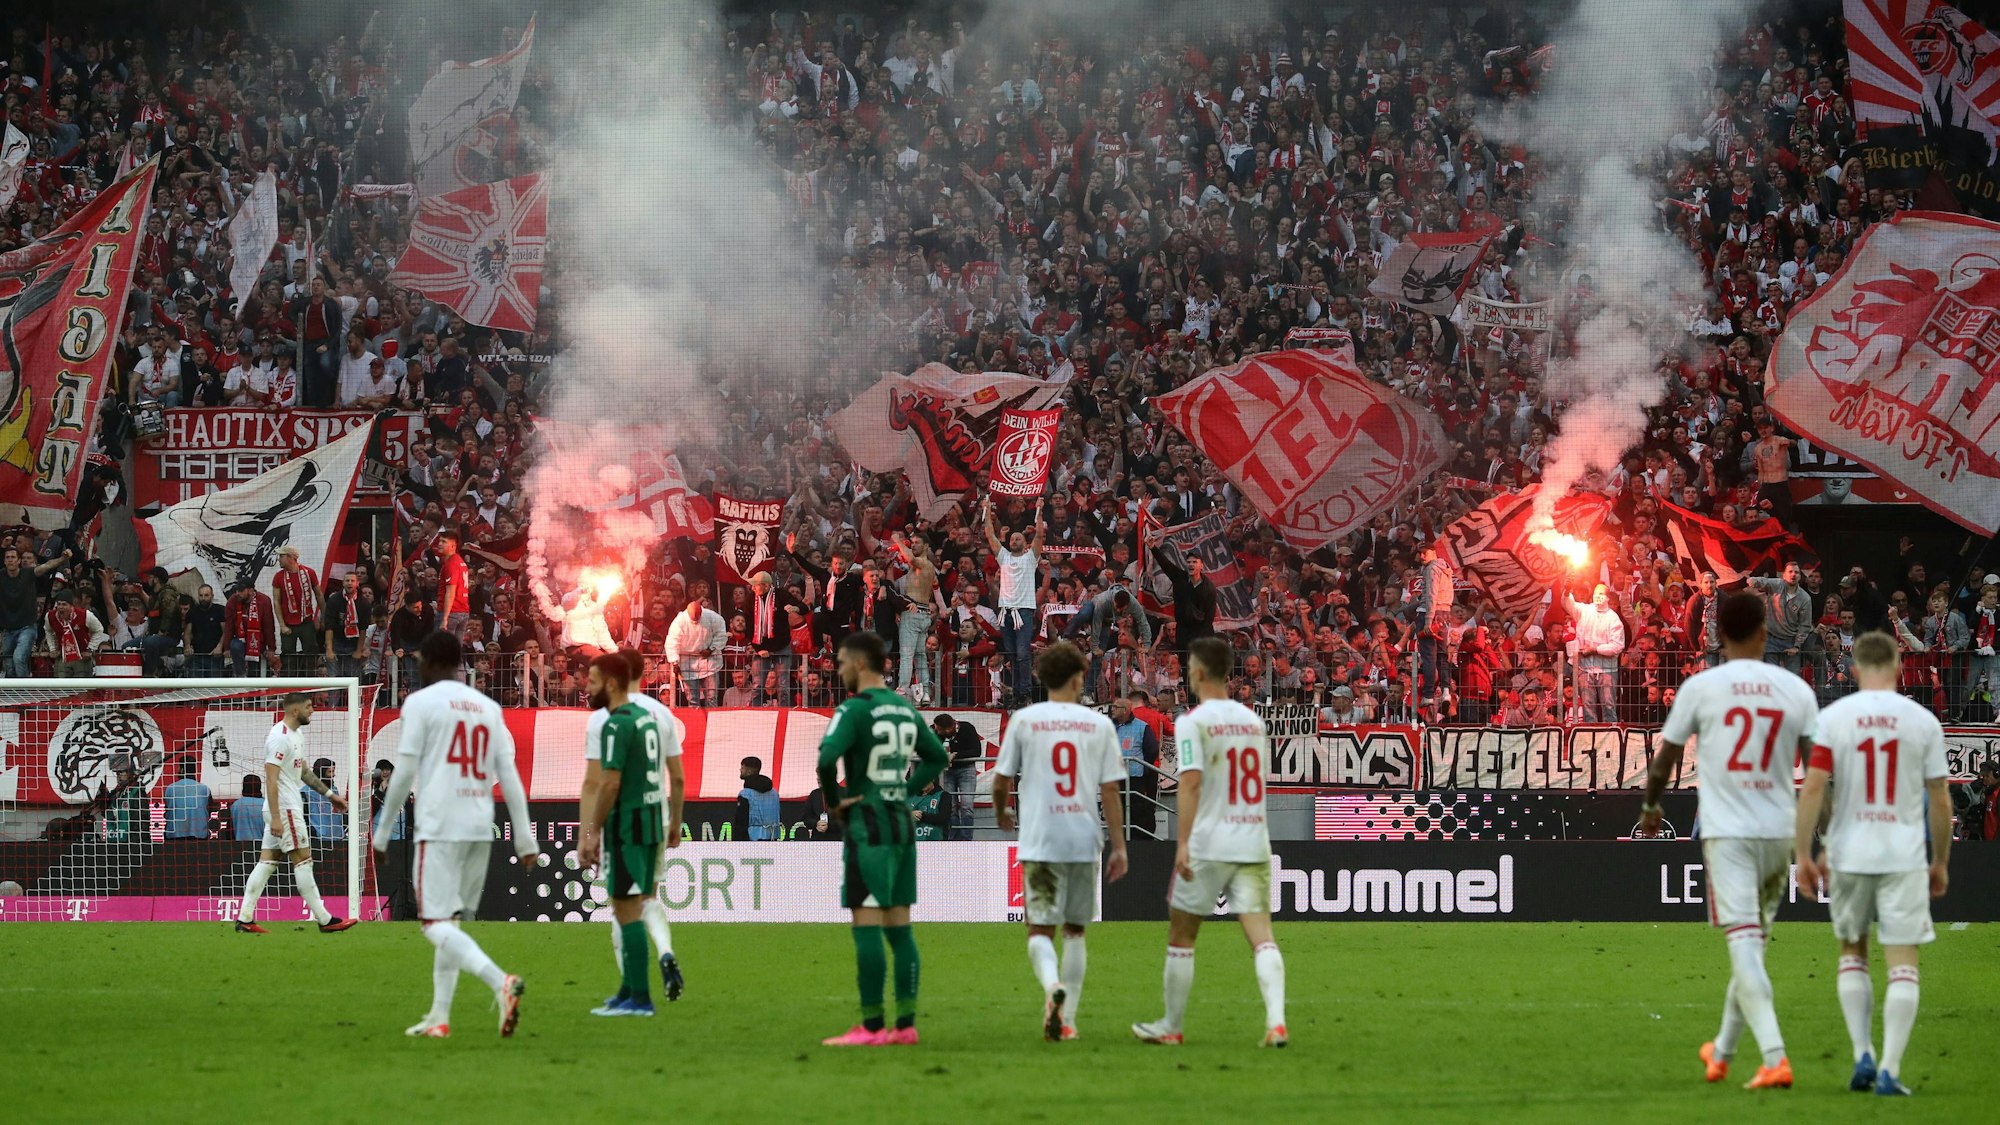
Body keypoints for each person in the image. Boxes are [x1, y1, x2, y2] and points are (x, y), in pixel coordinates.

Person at [1639, 592, 1819, 1090]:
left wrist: (1652, 807)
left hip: (1728, 832)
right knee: (1751, 948)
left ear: (1718, 637)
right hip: (1778, 831)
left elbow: (1665, 757)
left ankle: (1775, 1057)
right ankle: (1720, 1052)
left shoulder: (1703, 687)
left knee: (1742, 946)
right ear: (1766, 632)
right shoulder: (1795, 689)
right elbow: (1820, 769)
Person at [1793, 630, 1951, 1097]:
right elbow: (1940, 800)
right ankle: (1890, 1068)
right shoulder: (1922, 722)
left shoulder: (1834, 718)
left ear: (1856, 670)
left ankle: (1862, 1053)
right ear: (1900, 667)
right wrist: (1939, 860)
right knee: (1903, 961)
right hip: (1902, 853)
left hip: (1848, 852)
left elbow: (1815, 787)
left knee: (1852, 951)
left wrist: (1805, 852)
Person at [370, 632, 537, 1038]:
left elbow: (405, 770)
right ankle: (439, 1017)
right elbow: (509, 774)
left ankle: (501, 982)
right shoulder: (486, 706)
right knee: (452, 923)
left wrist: (383, 830)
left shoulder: (421, 703)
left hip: (440, 823)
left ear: (428, 662)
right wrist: (525, 837)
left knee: (433, 924)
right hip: (480, 823)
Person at [1132, 635, 1288, 1048]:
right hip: (1253, 839)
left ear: (1198, 671)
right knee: (1262, 936)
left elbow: (1191, 782)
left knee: (1182, 936)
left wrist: (1182, 844)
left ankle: (1172, 1026)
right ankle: (1276, 1022)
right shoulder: (1253, 722)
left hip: (1209, 842)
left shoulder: (1192, 722)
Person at [992, 640, 1129, 1041]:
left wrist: (1002, 812)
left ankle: (1052, 986)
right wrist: (1118, 843)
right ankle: (1067, 1019)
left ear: (1040, 678)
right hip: (1083, 839)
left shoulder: (1025, 721)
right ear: (1077, 677)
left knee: (1039, 931)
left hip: (1040, 839)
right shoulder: (1100, 724)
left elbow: (1001, 780)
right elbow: (1110, 791)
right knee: (1075, 931)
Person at [816, 631, 948, 1046]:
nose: (838, 670)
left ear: (858, 664)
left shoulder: (855, 708)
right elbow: (937, 758)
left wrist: (835, 803)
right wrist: (906, 792)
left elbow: (825, 758)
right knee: (900, 928)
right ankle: (905, 1024)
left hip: (868, 823)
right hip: (900, 824)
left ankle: (871, 1025)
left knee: (867, 925)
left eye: (840, 662)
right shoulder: (904, 708)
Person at [579, 652, 683, 1017]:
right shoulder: (650, 717)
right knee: (637, 903)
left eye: (591, 681)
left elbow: (606, 783)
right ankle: (627, 991)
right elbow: (677, 775)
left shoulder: (613, 723)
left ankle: (639, 998)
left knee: (625, 908)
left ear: (610, 683)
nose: (587, 687)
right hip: (653, 819)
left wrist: (591, 833)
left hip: (626, 822)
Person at [233, 692, 359, 934]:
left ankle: (245, 918)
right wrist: (278, 817)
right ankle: (325, 920)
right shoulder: (279, 738)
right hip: (285, 809)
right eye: (309, 707)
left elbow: (305, 773)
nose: (313, 710)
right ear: (294, 711)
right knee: (303, 861)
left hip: (284, 808)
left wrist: (331, 796)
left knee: (267, 862)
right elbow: (270, 778)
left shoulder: (296, 735)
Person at [984, 497, 1046, 704]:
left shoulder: (1030, 558)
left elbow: (1039, 535)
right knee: (1011, 654)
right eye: (1011, 538)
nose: (1013, 540)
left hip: (1024, 612)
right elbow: (990, 535)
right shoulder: (1004, 557)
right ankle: (1016, 693)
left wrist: (1039, 511)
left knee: (1022, 653)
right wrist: (986, 512)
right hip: (1006, 612)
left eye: (1018, 538)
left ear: (1025, 543)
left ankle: (1025, 693)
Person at [0, 546, 68, 677]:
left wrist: (63, 558)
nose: (10, 560)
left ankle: (24, 692)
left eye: (13, 557)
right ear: (4, 561)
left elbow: (47, 565)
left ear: (19, 561)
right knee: (8, 664)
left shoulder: (28, 573)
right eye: (7, 557)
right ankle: (14, 692)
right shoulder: (1, 576)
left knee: (19, 658)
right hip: (8, 630)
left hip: (27, 628)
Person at [1566, 583, 1627, 723]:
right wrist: (1566, 591)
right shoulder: (1585, 610)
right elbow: (1569, 604)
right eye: (1595, 593)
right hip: (1585, 669)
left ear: (1607, 598)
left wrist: (1595, 648)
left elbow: (1617, 646)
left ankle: (1611, 738)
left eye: (1601, 594)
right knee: (1588, 708)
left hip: (1607, 670)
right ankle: (1590, 738)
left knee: (1609, 707)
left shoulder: (1613, 618)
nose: (1597, 597)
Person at [889, 531, 938, 702]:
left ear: (926, 546)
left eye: (917, 542)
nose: (914, 545)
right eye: (913, 542)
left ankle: (902, 689)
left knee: (907, 654)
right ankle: (924, 693)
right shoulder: (923, 566)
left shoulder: (924, 564)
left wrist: (898, 541)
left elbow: (911, 559)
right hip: (923, 613)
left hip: (913, 613)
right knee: (920, 655)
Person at [1109, 695, 1161, 835]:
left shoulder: (1141, 727)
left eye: (1116, 707)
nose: (1112, 709)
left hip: (1135, 778)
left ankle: (1140, 841)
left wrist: (1142, 767)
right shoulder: (1110, 726)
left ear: (1125, 710)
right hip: (1115, 778)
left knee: (1138, 811)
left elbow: (1152, 749)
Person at [666, 597, 728, 706]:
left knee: (712, 697)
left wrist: (711, 649)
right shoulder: (680, 621)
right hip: (688, 661)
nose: (695, 621)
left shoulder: (712, 617)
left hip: (709, 659)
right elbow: (672, 641)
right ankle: (695, 720)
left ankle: (711, 720)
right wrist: (674, 661)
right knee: (692, 698)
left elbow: (721, 634)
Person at [933, 713, 983, 841]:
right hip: (947, 772)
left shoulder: (967, 728)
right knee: (951, 807)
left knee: (966, 805)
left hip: (966, 771)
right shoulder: (936, 733)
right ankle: (953, 840)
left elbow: (976, 751)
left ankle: (966, 840)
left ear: (948, 729)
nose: (936, 731)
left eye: (938, 729)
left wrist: (956, 755)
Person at [162, 760, 213, 839]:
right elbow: (210, 809)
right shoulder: (204, 789)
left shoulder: (170, 788)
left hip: (174, 836)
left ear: (182, 770)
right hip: (199, 836)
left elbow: (167, 811)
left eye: (178, 767)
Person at [435, 530, 471, 639]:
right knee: (456, 651)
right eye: (439, 541)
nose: (440, 544)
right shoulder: (460, 562)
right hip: (463, 611)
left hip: (452, 612)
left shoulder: (452, 564)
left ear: (452, 545)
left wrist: (445, 618)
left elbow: (450, 592)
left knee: (444, 650)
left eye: (444, 541)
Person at [734, 756, 780, 841]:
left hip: (752, 839)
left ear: (749, 771)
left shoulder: (745, 794)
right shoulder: (774, 793)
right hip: (773, 837)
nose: (740, 770)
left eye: (742, 767)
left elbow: (741, 822)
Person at [229, 774, 266, 841]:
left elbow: (230, 831)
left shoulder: (236, 805)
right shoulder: (266, 805)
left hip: (240, 847)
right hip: (263, 847)